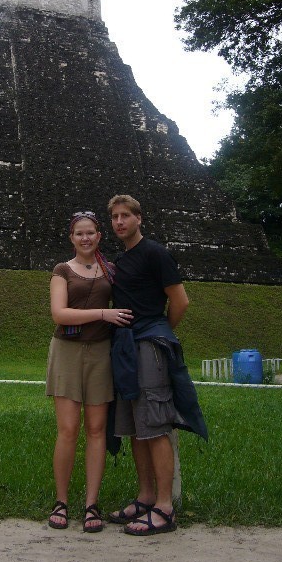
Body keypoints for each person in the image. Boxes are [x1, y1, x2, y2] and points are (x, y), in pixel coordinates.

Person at [106, 194, 207, 536]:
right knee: (136, 427)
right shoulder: (122, 259)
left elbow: (180, 301)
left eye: (125, 216)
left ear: (139, 218)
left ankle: (164, 507)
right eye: (115, 217)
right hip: (126, 346)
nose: (119, 222)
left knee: (156, 424)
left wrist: (159, 331)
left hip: (148, 343)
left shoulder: (155, 253)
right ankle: (146, 496)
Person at [46, 210, 134, 532]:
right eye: (78, 233)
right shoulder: (61, 270)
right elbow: (60, 314)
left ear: (99, 236)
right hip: (67, 352)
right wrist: (102, 313)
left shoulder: (110, 271)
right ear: (71, 238)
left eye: (90, 233)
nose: (85, 238)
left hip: (100, 353)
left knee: (97, 430)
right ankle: (61, 501)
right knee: (68, 429)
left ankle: (91, 504)